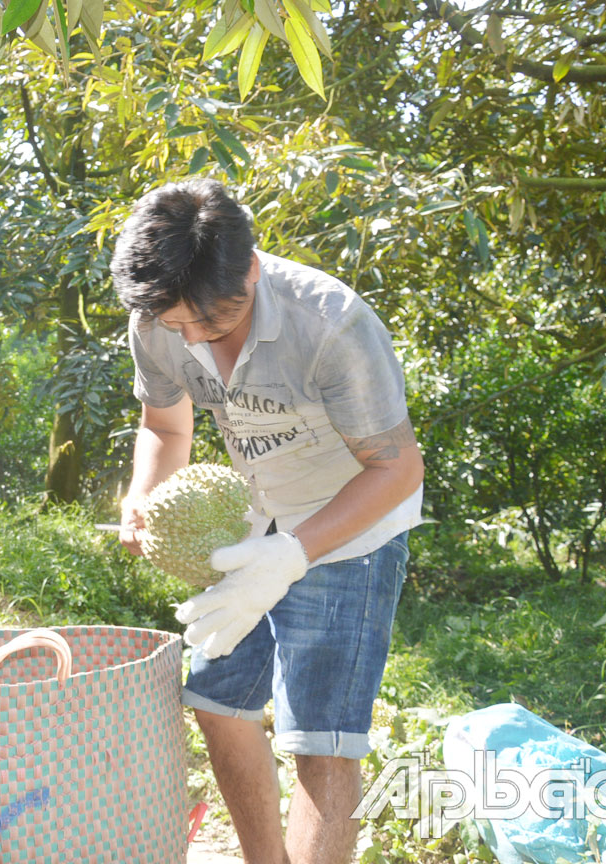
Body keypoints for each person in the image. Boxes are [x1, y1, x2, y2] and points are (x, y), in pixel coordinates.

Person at [112, 179, 424, 864]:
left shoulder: (331, 324)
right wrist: (143, 493)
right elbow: (164, 424)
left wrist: (294, 554)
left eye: (211, 323)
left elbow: (397, 468)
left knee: (319, 739)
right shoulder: (156, 318)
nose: (192, 338)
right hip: (250, 521)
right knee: (218, 704)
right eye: (176, 325)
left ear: (249, 270)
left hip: (351, 529)